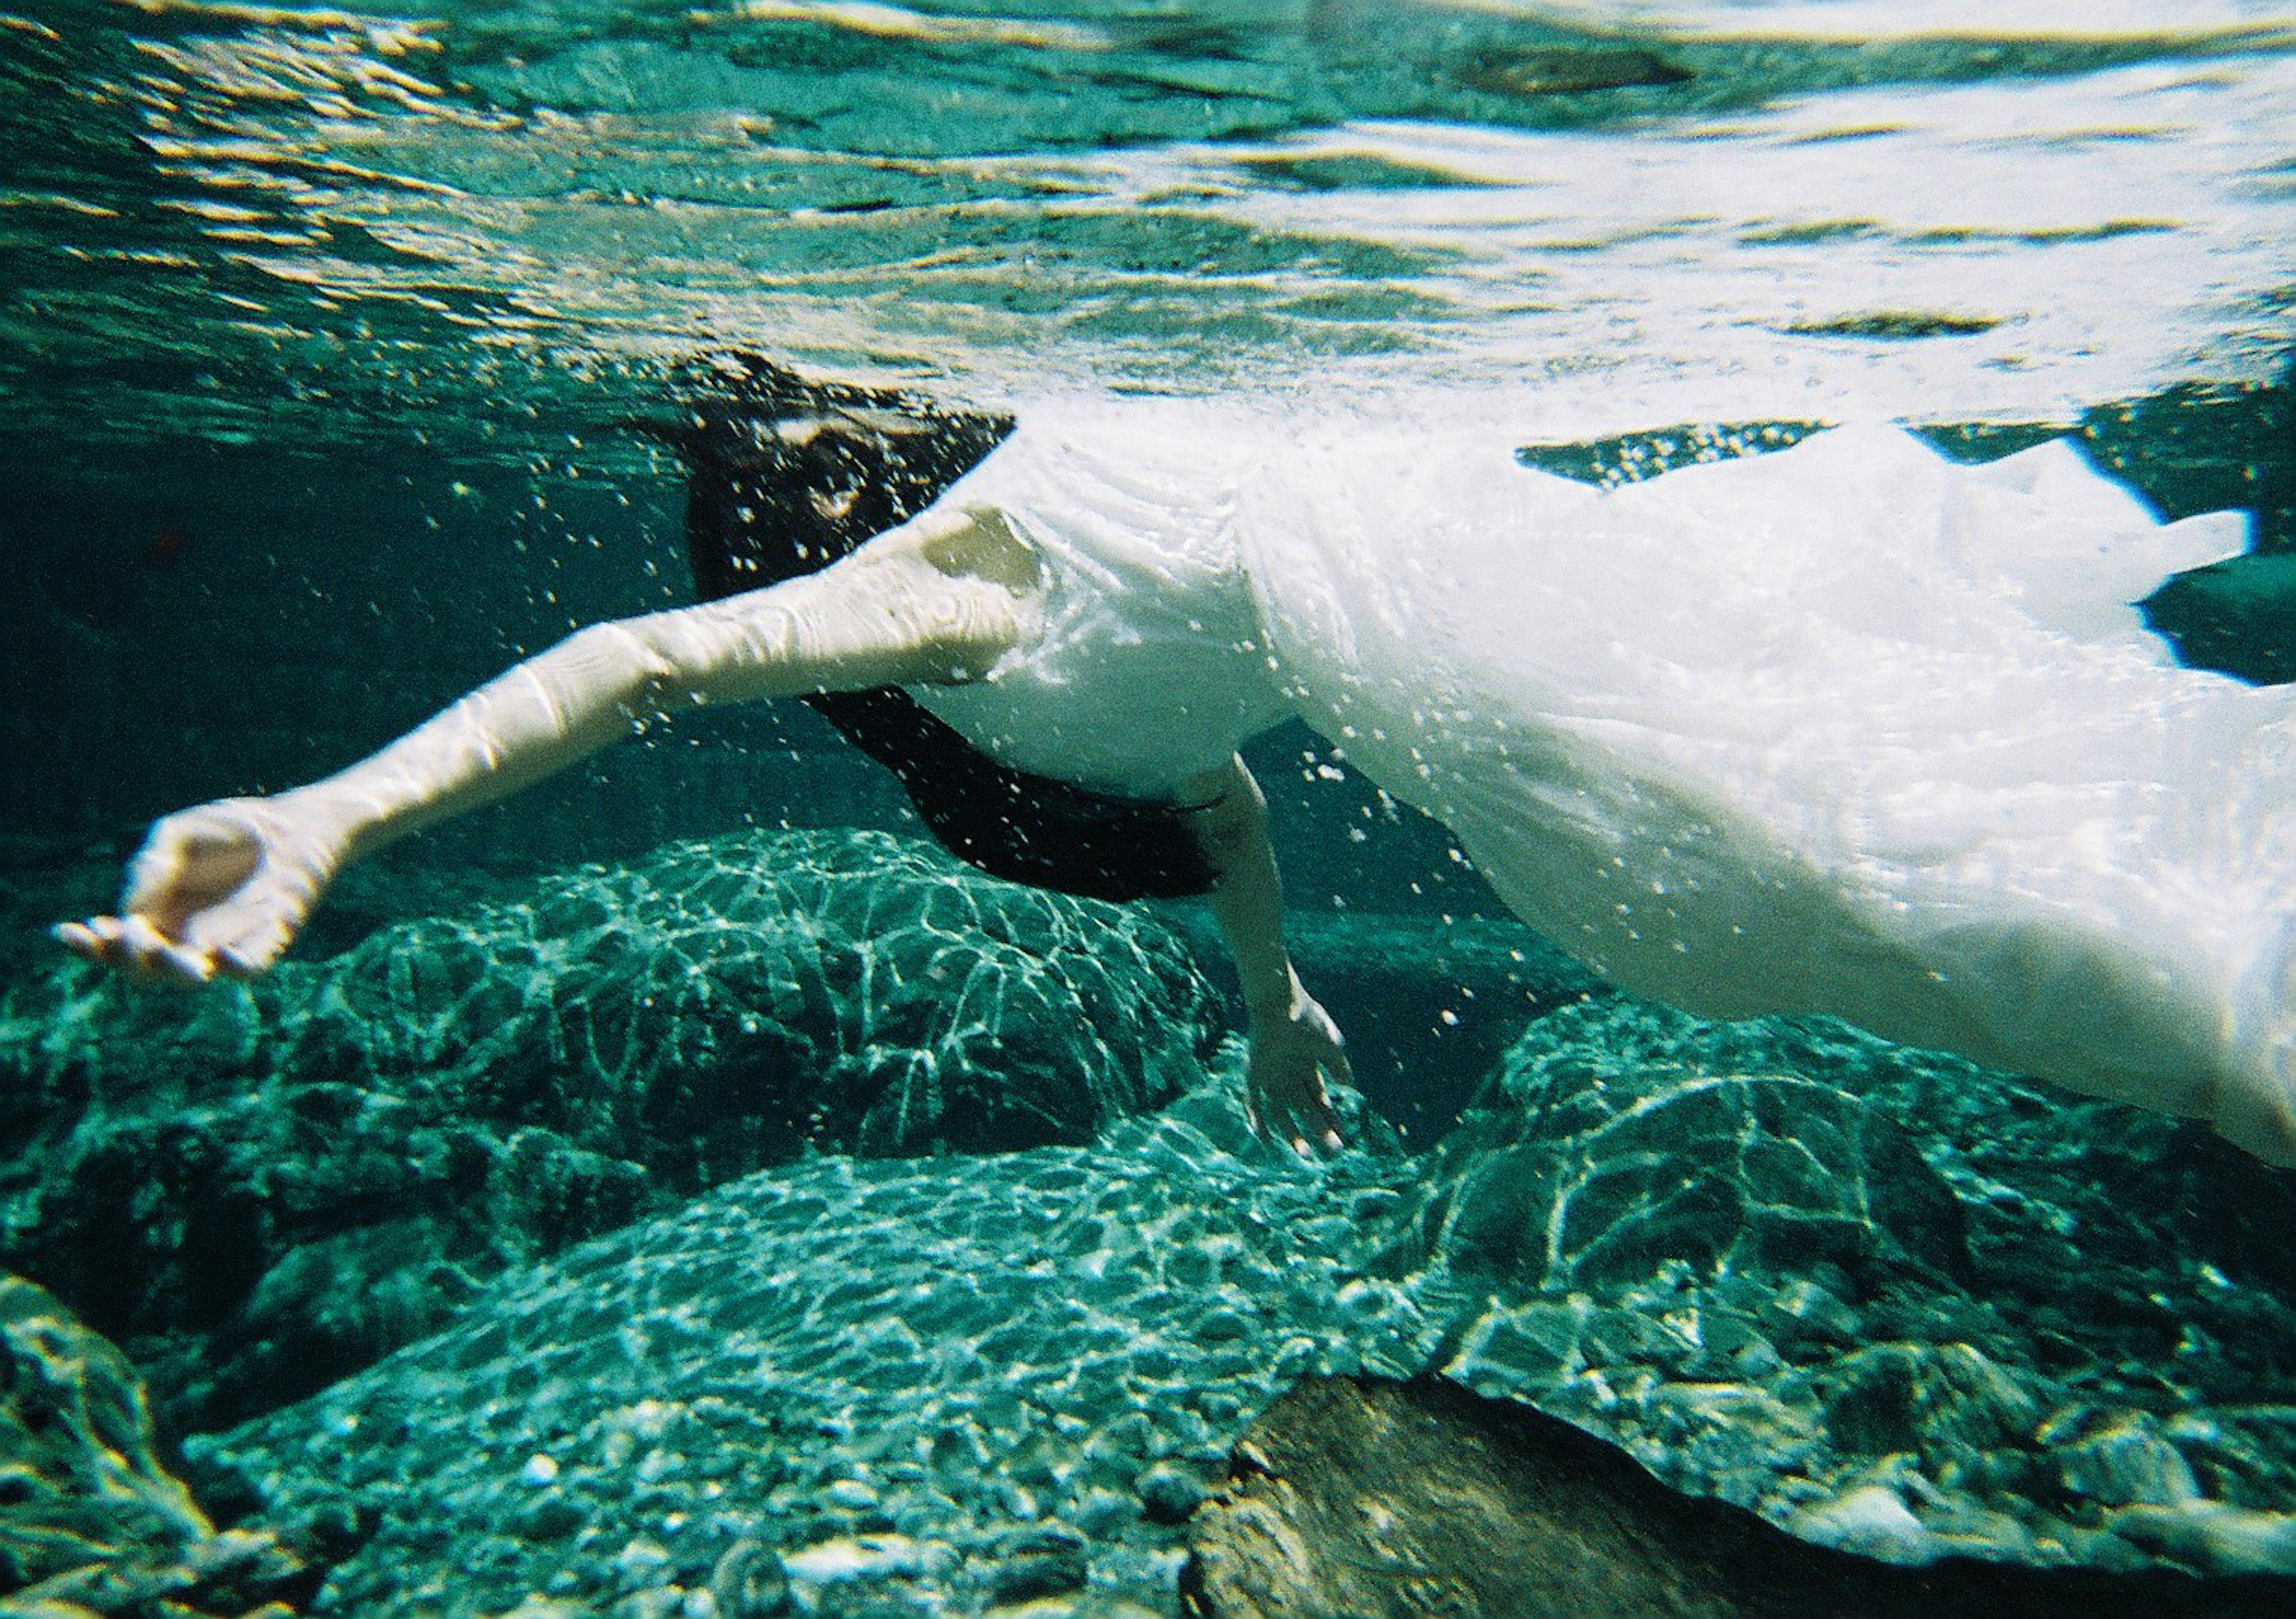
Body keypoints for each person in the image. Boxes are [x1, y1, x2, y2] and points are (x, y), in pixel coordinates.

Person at [56, 359, 2296, 1168]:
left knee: (1869, 857)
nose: (834, 440)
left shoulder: (947, 595)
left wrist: (342, 806)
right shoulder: (998, 675)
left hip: (1453, 628)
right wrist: (1275, 999)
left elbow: (641, 666)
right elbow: (1217, 804)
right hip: (1455, 574)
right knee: (1903, 777)